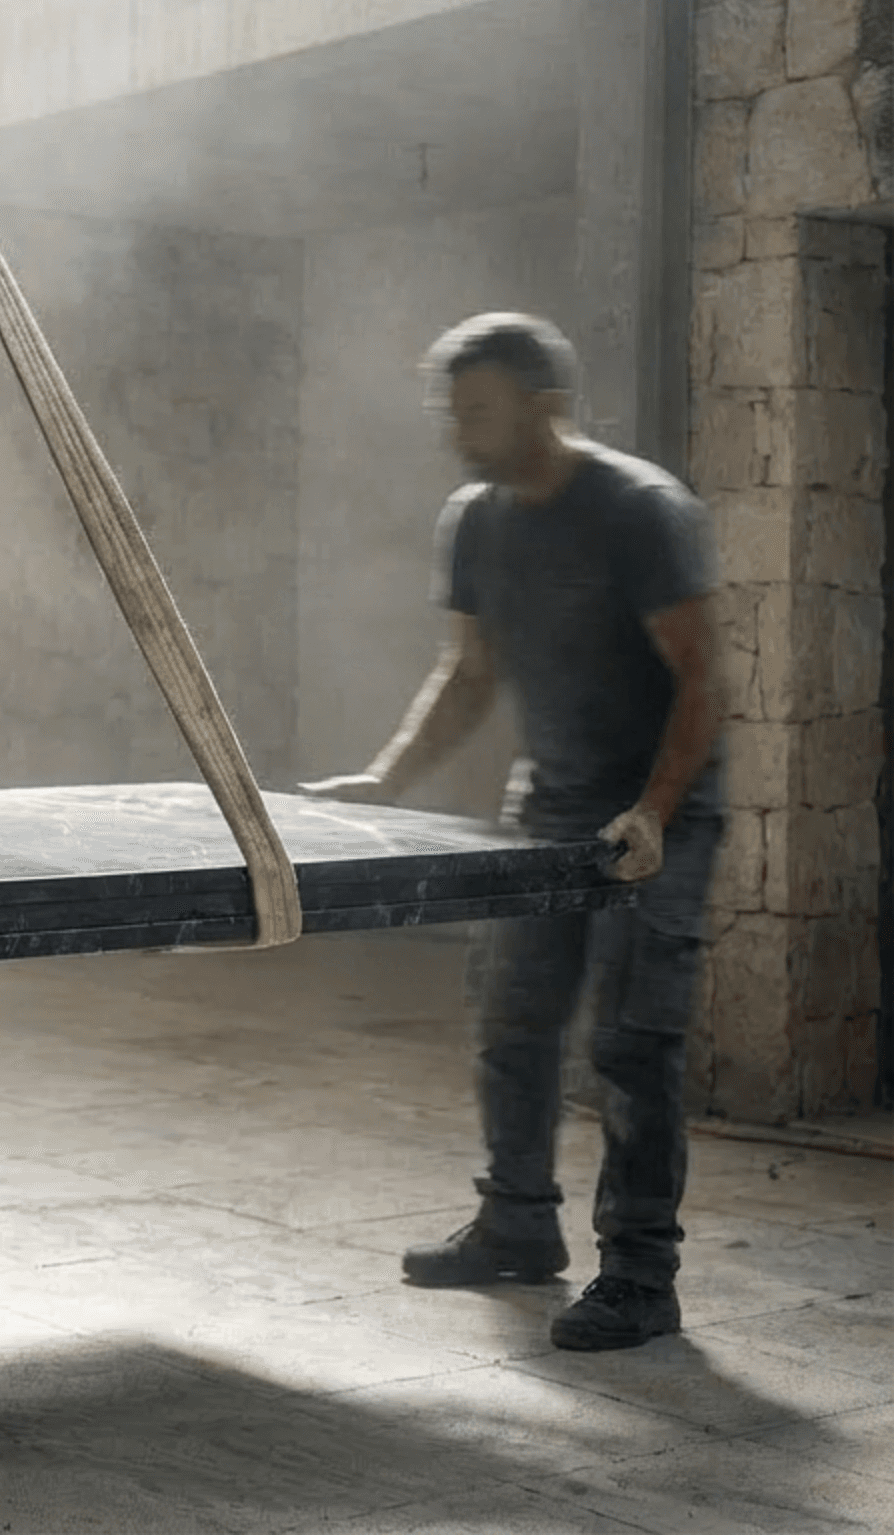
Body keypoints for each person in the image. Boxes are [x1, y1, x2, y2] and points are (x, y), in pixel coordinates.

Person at [304, 312, 723, 1353]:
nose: (459, 430)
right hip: (550, 803)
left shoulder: (640, 511)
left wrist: (655, 812)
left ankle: (639, 1274)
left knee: (630, 1045)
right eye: (452, 411)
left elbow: (704, 678)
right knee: (512, 1013)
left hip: (656, 807)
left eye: (478, 410)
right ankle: (518, 1226)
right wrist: (387, 778)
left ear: (543, 405)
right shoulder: (476, 519)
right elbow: (471, 673)